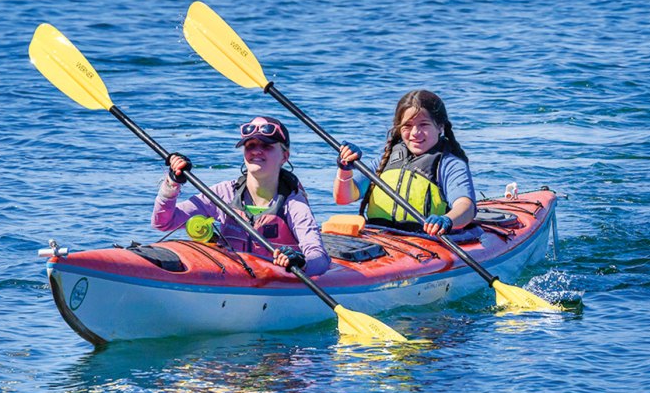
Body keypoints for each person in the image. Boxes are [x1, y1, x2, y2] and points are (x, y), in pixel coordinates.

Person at [152, 116, 331, 276]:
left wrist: (300, 262)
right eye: (250, 145)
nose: (256, 151)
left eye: (266, 146)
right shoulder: (224, 194)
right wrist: (172, 183)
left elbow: (320, 258)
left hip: (274, 283)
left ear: (284, 156)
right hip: (231, 276)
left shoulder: (293, 204)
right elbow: (164, 222)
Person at [334, 89, 476, 236]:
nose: (415, 132)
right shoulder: (385, 160)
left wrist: (447, 220)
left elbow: (466, 207)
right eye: (407, 126)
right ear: (399, 128)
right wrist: (344, 168)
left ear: (440, 126)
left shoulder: (449, 165)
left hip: (426, 240)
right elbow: (343, 198)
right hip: (379, 238)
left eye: (423, 124)